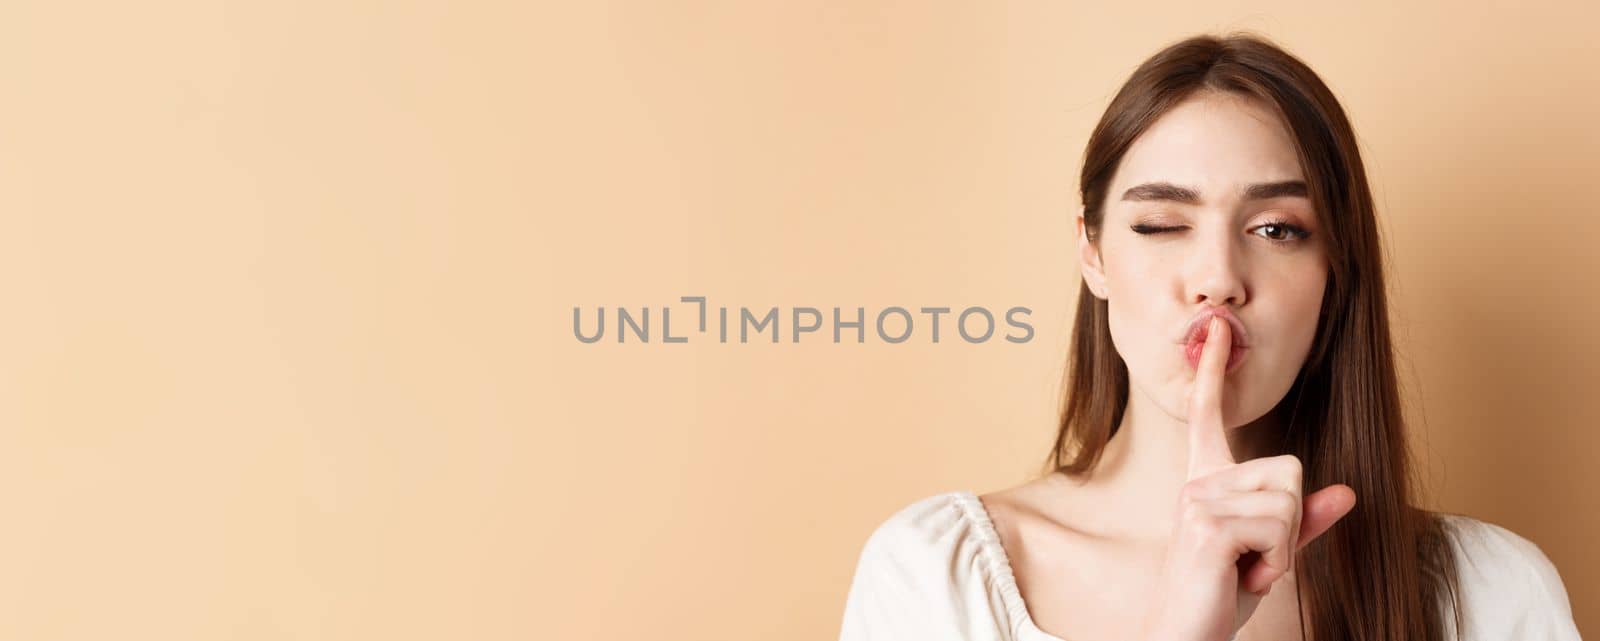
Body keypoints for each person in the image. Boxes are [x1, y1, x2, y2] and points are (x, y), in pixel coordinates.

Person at [836, 32, 1582, 641]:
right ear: (1092, 252)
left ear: (1336, 269)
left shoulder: (1490, 593)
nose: (1218, 278)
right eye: (1162, 224)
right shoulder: (936, 573)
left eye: (1277, 229)